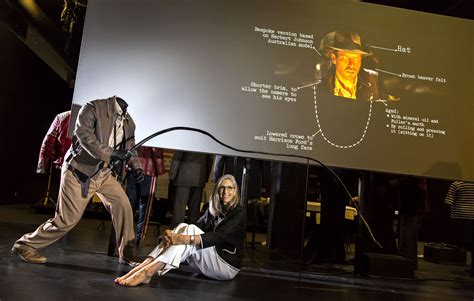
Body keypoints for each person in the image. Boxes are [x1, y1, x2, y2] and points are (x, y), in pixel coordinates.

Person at [12, 95, 144, 266]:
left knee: (123, 206)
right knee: (67, 219)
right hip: (79, 170)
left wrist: (137, 166)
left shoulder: (128, 121)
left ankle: (127, 253)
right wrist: (111, 153)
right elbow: (84, 137)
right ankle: (25, 245)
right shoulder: (93, 108)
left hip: (103, 173)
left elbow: (130, 147)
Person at [115, 174, 245, 286]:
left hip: (226, 265)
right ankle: (145, 265)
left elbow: (219, 237)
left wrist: (183, 238)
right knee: (184, 226)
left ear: (235, 191)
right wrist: (172, 235)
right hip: (209, 262)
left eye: (229, 188)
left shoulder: (239, 212)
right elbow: (195, 227)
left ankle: (148, 272)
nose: (225, 191)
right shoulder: (213, 208)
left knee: (189, 232)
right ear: (217, 190)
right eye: (222, 188)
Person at [318, 31, 398, 102]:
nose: (351, 65)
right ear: (334, 58)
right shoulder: (321, 88)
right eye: (345, 58)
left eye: (356, 59)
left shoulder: (373, 79)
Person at [126, 146, 165, 245]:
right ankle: (139, 238)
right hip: (149, 169)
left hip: (132, 167)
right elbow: (156, 151)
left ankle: (125, 235)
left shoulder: (136, 130)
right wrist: (160, 169)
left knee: (130, 204)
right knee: (145, 206)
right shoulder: (153, 131)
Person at [169, 151, 212, 227]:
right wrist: (205, 177)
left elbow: (177, 157)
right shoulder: (206, 141)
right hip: (199, 178)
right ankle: (192, 234)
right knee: (194, 211)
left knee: (179, 210)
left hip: (183, 176)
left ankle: (176, 233)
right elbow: (209, 160)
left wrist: (172, 175)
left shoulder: (185, 139)